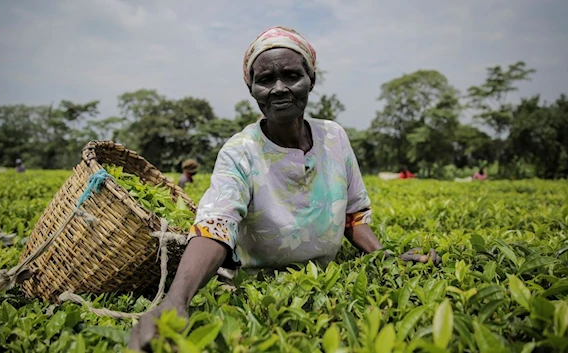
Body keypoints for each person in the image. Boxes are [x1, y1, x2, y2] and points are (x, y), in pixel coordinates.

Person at [128, 26, 440, 351]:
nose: (279, 89)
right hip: (259, 290)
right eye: (265, 80)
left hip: (324, 282)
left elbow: (354, 216)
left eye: (291, 75)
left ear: (311, 80)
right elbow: (215, 226)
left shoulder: (334, 137)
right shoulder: (240, 152)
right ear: (251, 88)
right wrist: (176, 300)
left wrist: (385, 256)